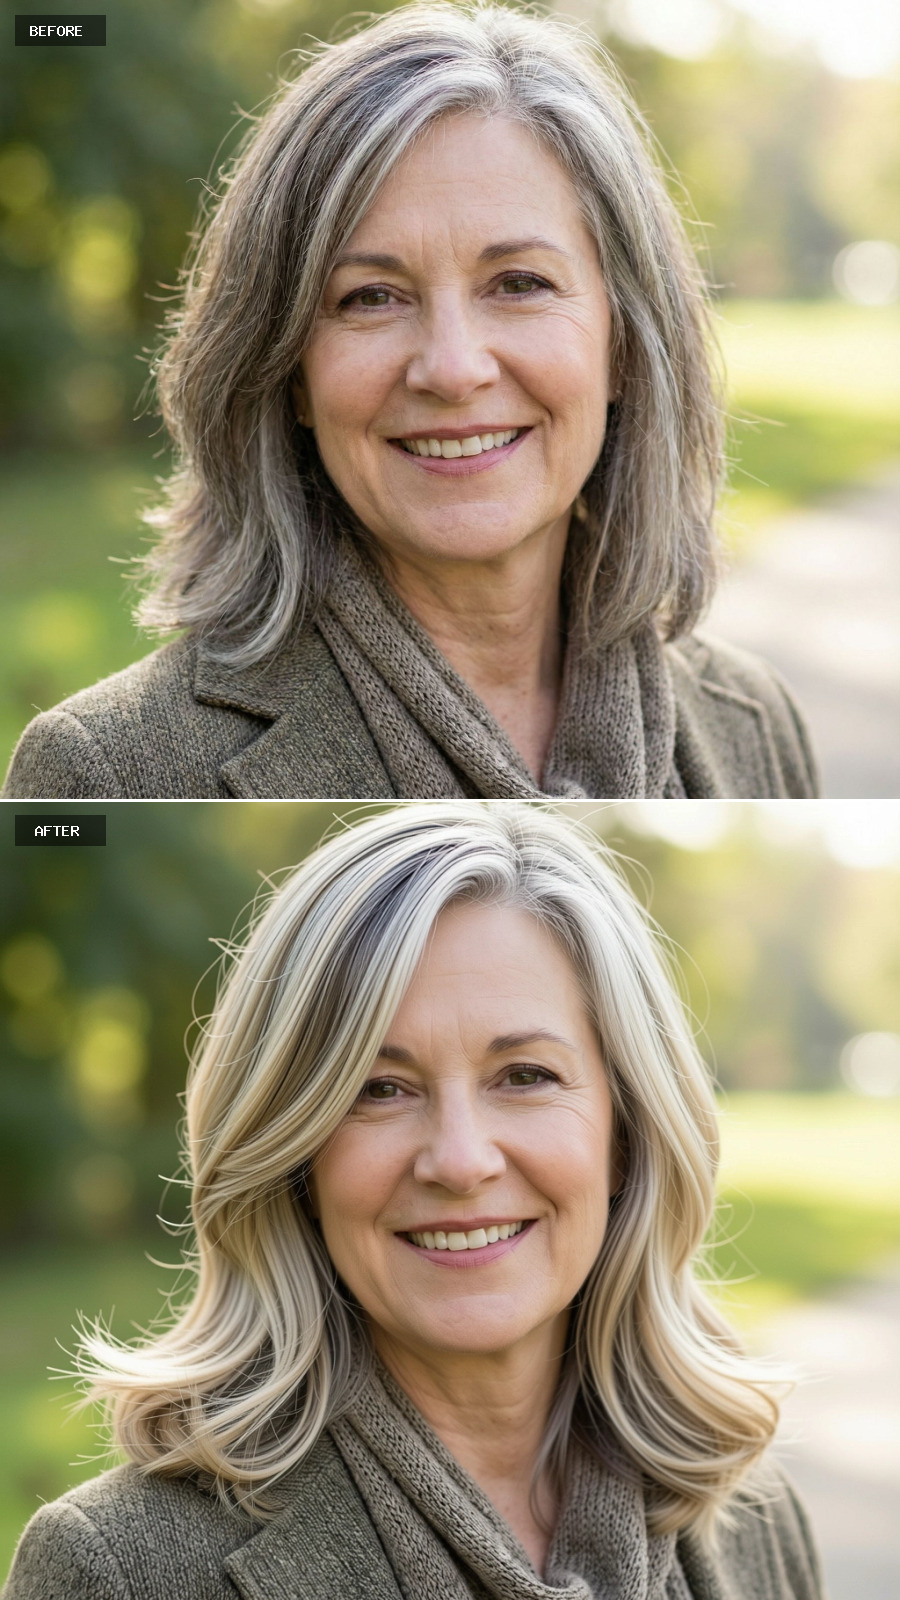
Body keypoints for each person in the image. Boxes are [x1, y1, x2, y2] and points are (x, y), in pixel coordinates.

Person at [3, 804, 825, 1599]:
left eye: (525, 1076)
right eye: (380, 1088)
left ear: (626, 1134)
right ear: (297, 1157)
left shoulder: (753, 1521)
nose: (460, 1161)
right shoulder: (116, 1571)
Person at [3, 4, 818, 802]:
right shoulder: (105, 771)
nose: (452, 369)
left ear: (626, 345)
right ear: (289, 373)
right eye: (371, 297)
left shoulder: (754, 723)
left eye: (519, 283)